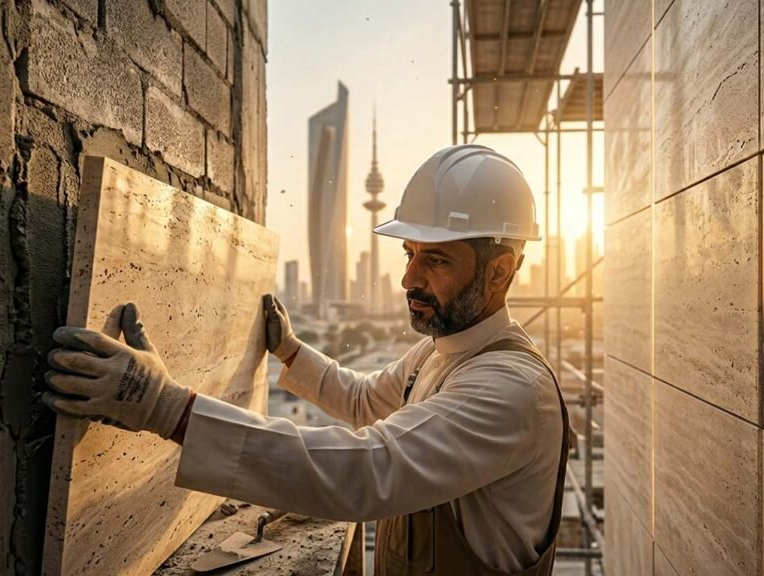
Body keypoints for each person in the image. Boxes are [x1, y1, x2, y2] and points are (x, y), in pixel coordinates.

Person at [42, 144, 570, 575]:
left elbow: (368, 469)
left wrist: (163, 407)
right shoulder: (443, 352)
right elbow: (367, 401)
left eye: (435, 259)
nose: (410, 280)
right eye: (409, 255)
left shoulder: (509, 391)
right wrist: (291, 349)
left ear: (500, 272)